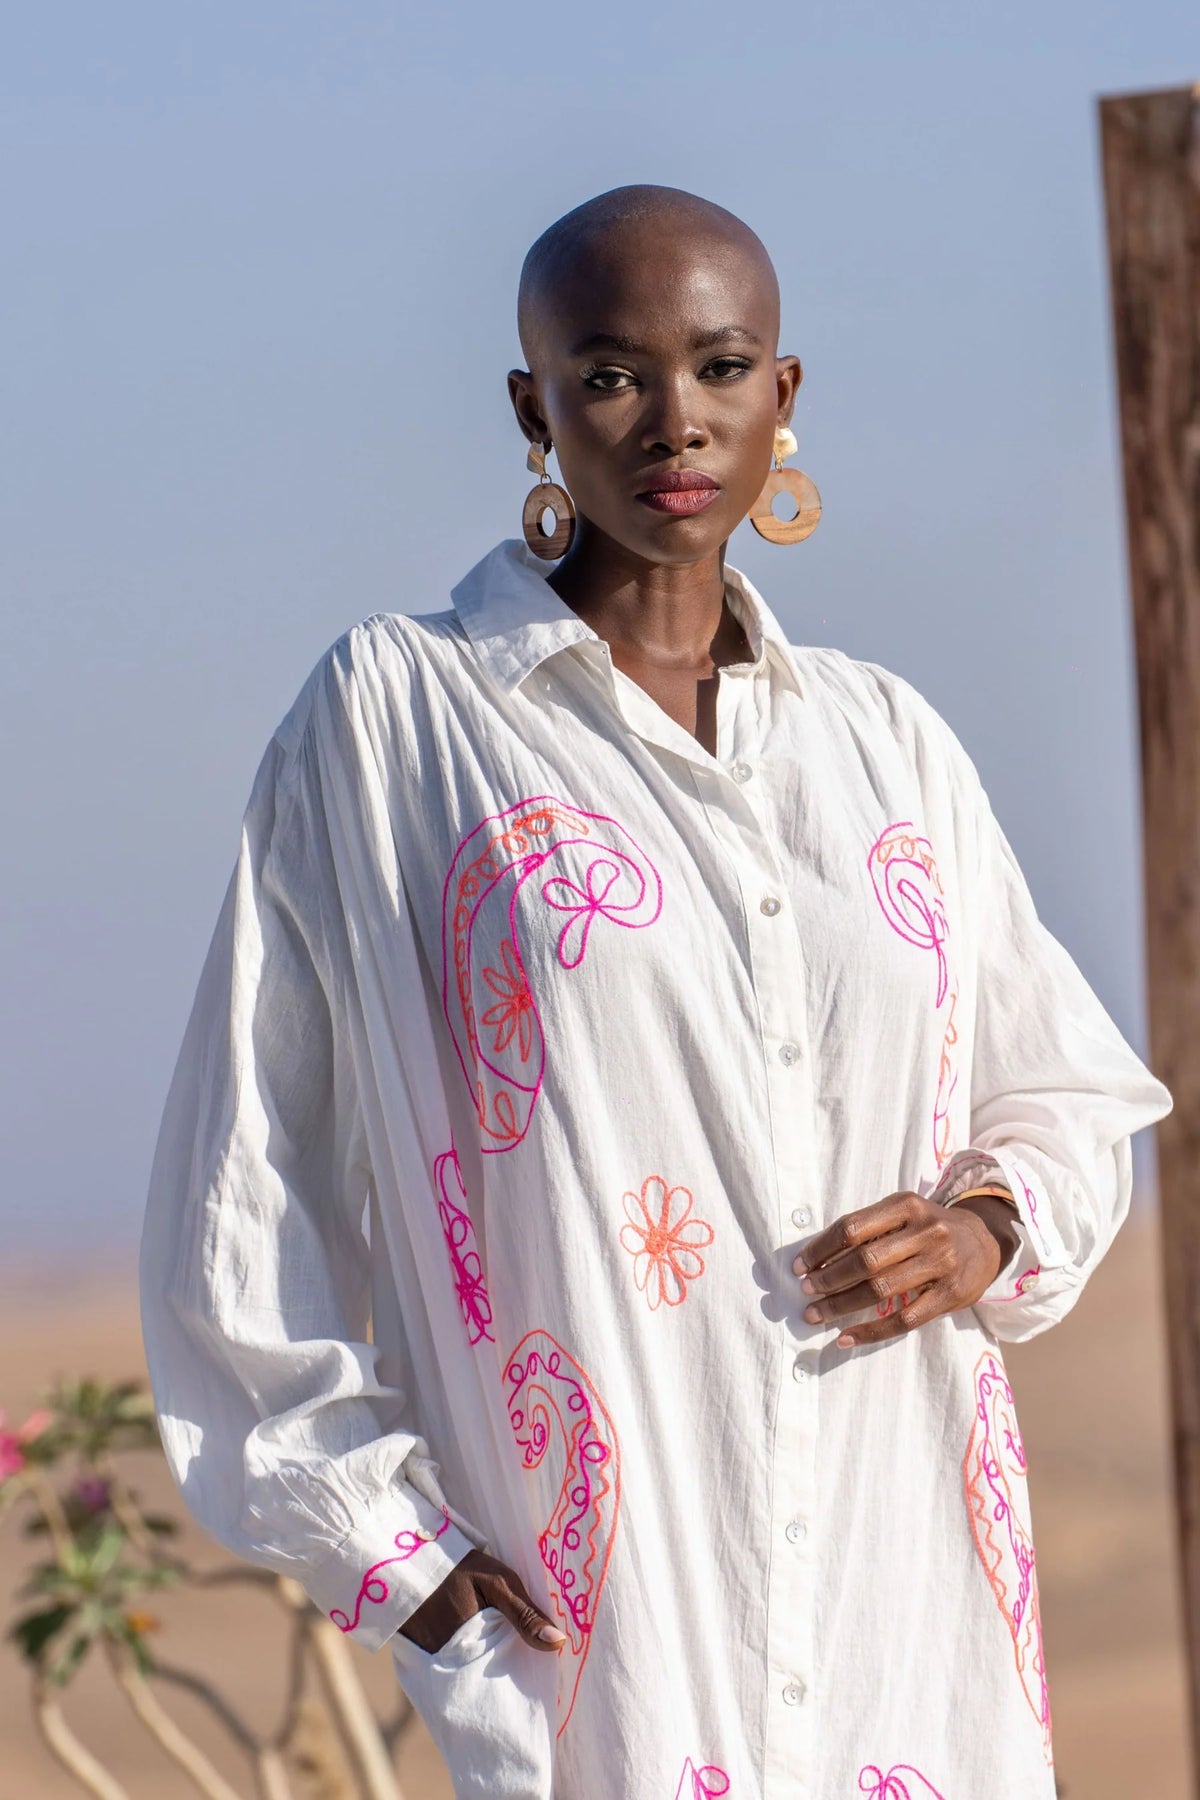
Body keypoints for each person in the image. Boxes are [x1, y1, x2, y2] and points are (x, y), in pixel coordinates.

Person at [139, 184, 1172, 1800]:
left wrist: (982, 1228)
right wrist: (395, 1549)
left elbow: (1073, 1096)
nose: (674, 420)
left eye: (722, 365)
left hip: (912, 1623)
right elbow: (247, 1178)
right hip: (609, 1656)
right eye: (612, 372)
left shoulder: (884, 744)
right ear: (533, 406)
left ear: (784, 397)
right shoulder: (398, 724)